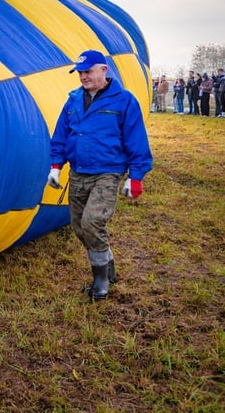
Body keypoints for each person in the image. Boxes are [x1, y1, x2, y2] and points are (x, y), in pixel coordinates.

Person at [47, 50, 153, 301]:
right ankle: (109, 265)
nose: (83, 76)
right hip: (78, 172)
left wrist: (135, 177)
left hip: (108, 172)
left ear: (103, 70)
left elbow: (137, 141)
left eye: (88, 71)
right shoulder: (72, 100)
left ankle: (101, 281)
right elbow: (61, 135)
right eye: (80, 72)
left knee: (92, 222)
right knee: (79, 227)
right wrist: (55, 165)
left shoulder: (124, 101)